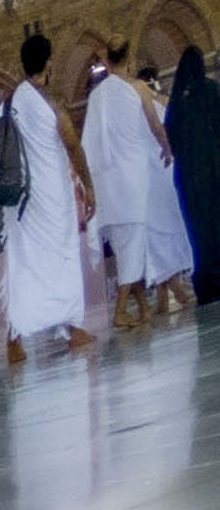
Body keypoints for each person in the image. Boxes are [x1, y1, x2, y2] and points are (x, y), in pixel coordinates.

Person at [1, 27, 95, 360]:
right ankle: (72, 328)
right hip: (52, 197)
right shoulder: (50, 104)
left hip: (21, 201)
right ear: (49, 64)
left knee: (23, 264)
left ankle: (15, 337)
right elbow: (73, 146)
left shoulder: (11, 102)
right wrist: (88, 186)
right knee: (62, 259)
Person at [83, 41, 173, 333]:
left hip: (105, 181)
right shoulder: (138, 88)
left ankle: (143, 305)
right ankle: (121, 310)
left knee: (124, 249)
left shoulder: (96, 96)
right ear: (129, 58)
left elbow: (88, 142)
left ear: (108, 60)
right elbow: (155, 126)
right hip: (131, 178)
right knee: (133, 244)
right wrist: (167, 148)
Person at [168, 49, 220, 305]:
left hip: (188, 177)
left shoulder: (177, 99)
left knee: (197, 231)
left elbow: (171, 136)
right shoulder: (211, 91)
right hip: (213, 171)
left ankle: (205, 284)